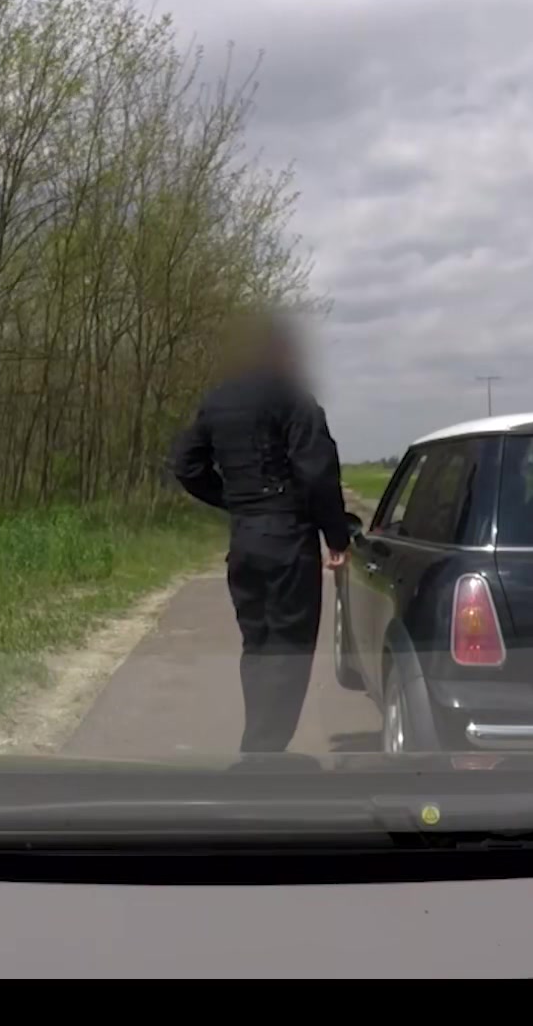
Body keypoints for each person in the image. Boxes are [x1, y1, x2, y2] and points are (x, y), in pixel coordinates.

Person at [171, 315, 352, 753]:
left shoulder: (219, 400)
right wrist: (337, 537)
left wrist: (234, 501)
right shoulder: (293, 398)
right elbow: (317, 472)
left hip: (245, 541)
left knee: (257, 645)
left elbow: (185, 465)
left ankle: (260, 742)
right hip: (288, 539)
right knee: (290, 648)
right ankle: (263, 751)